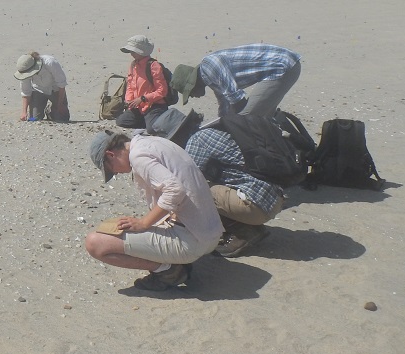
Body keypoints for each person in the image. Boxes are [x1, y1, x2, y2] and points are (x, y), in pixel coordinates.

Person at [86, 129, 223, 290]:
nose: (116, 173)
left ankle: (168, 271)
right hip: (208, 232)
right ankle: (173, 260)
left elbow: (175, 190)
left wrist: (144, 223)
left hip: (193, 241)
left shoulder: (138, 156)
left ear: (110, 155)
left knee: (95, 243)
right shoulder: (151, 142)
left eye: (111, 169)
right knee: (121, 226)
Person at [184, 126, 285, 257]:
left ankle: (244, 231)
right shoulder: (223, 131)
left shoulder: (198, 139)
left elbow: (187, 181)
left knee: (195, 191)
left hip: (255, 205)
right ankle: (248, 225)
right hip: (274, 200)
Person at [169, 44, 302, 119]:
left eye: (190, 93)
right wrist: (222, 122)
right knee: (263, 118)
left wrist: (229, 126)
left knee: (247, 119)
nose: (193, 96)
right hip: (284, 65)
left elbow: (238, 102)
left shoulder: (209, 66)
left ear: (192, 84)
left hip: (282, 66)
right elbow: (225, 105)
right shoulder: (210, 78)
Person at [114, 35, 169, 132]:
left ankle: (156, 119)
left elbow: (162, 91)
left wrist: (143, 98)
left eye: (133, 51)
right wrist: (129, 101)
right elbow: (130, 85)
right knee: (121, 121)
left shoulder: (153, 65)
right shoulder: (133, 65)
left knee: (152, 129)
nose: (131, 54)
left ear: (141, 51)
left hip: (154, 105)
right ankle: (148, 120)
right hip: (139, 107)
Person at [14, 52, 70, 122]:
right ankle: (36, 114)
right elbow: (26, 92)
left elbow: (61, 85)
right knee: (33, 119)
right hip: (38, 90)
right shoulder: (24, 70)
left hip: (55, 90)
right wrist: (24, 112)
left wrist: (60, 105)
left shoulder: (51, 63)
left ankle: (50, 110)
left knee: (62, 119)